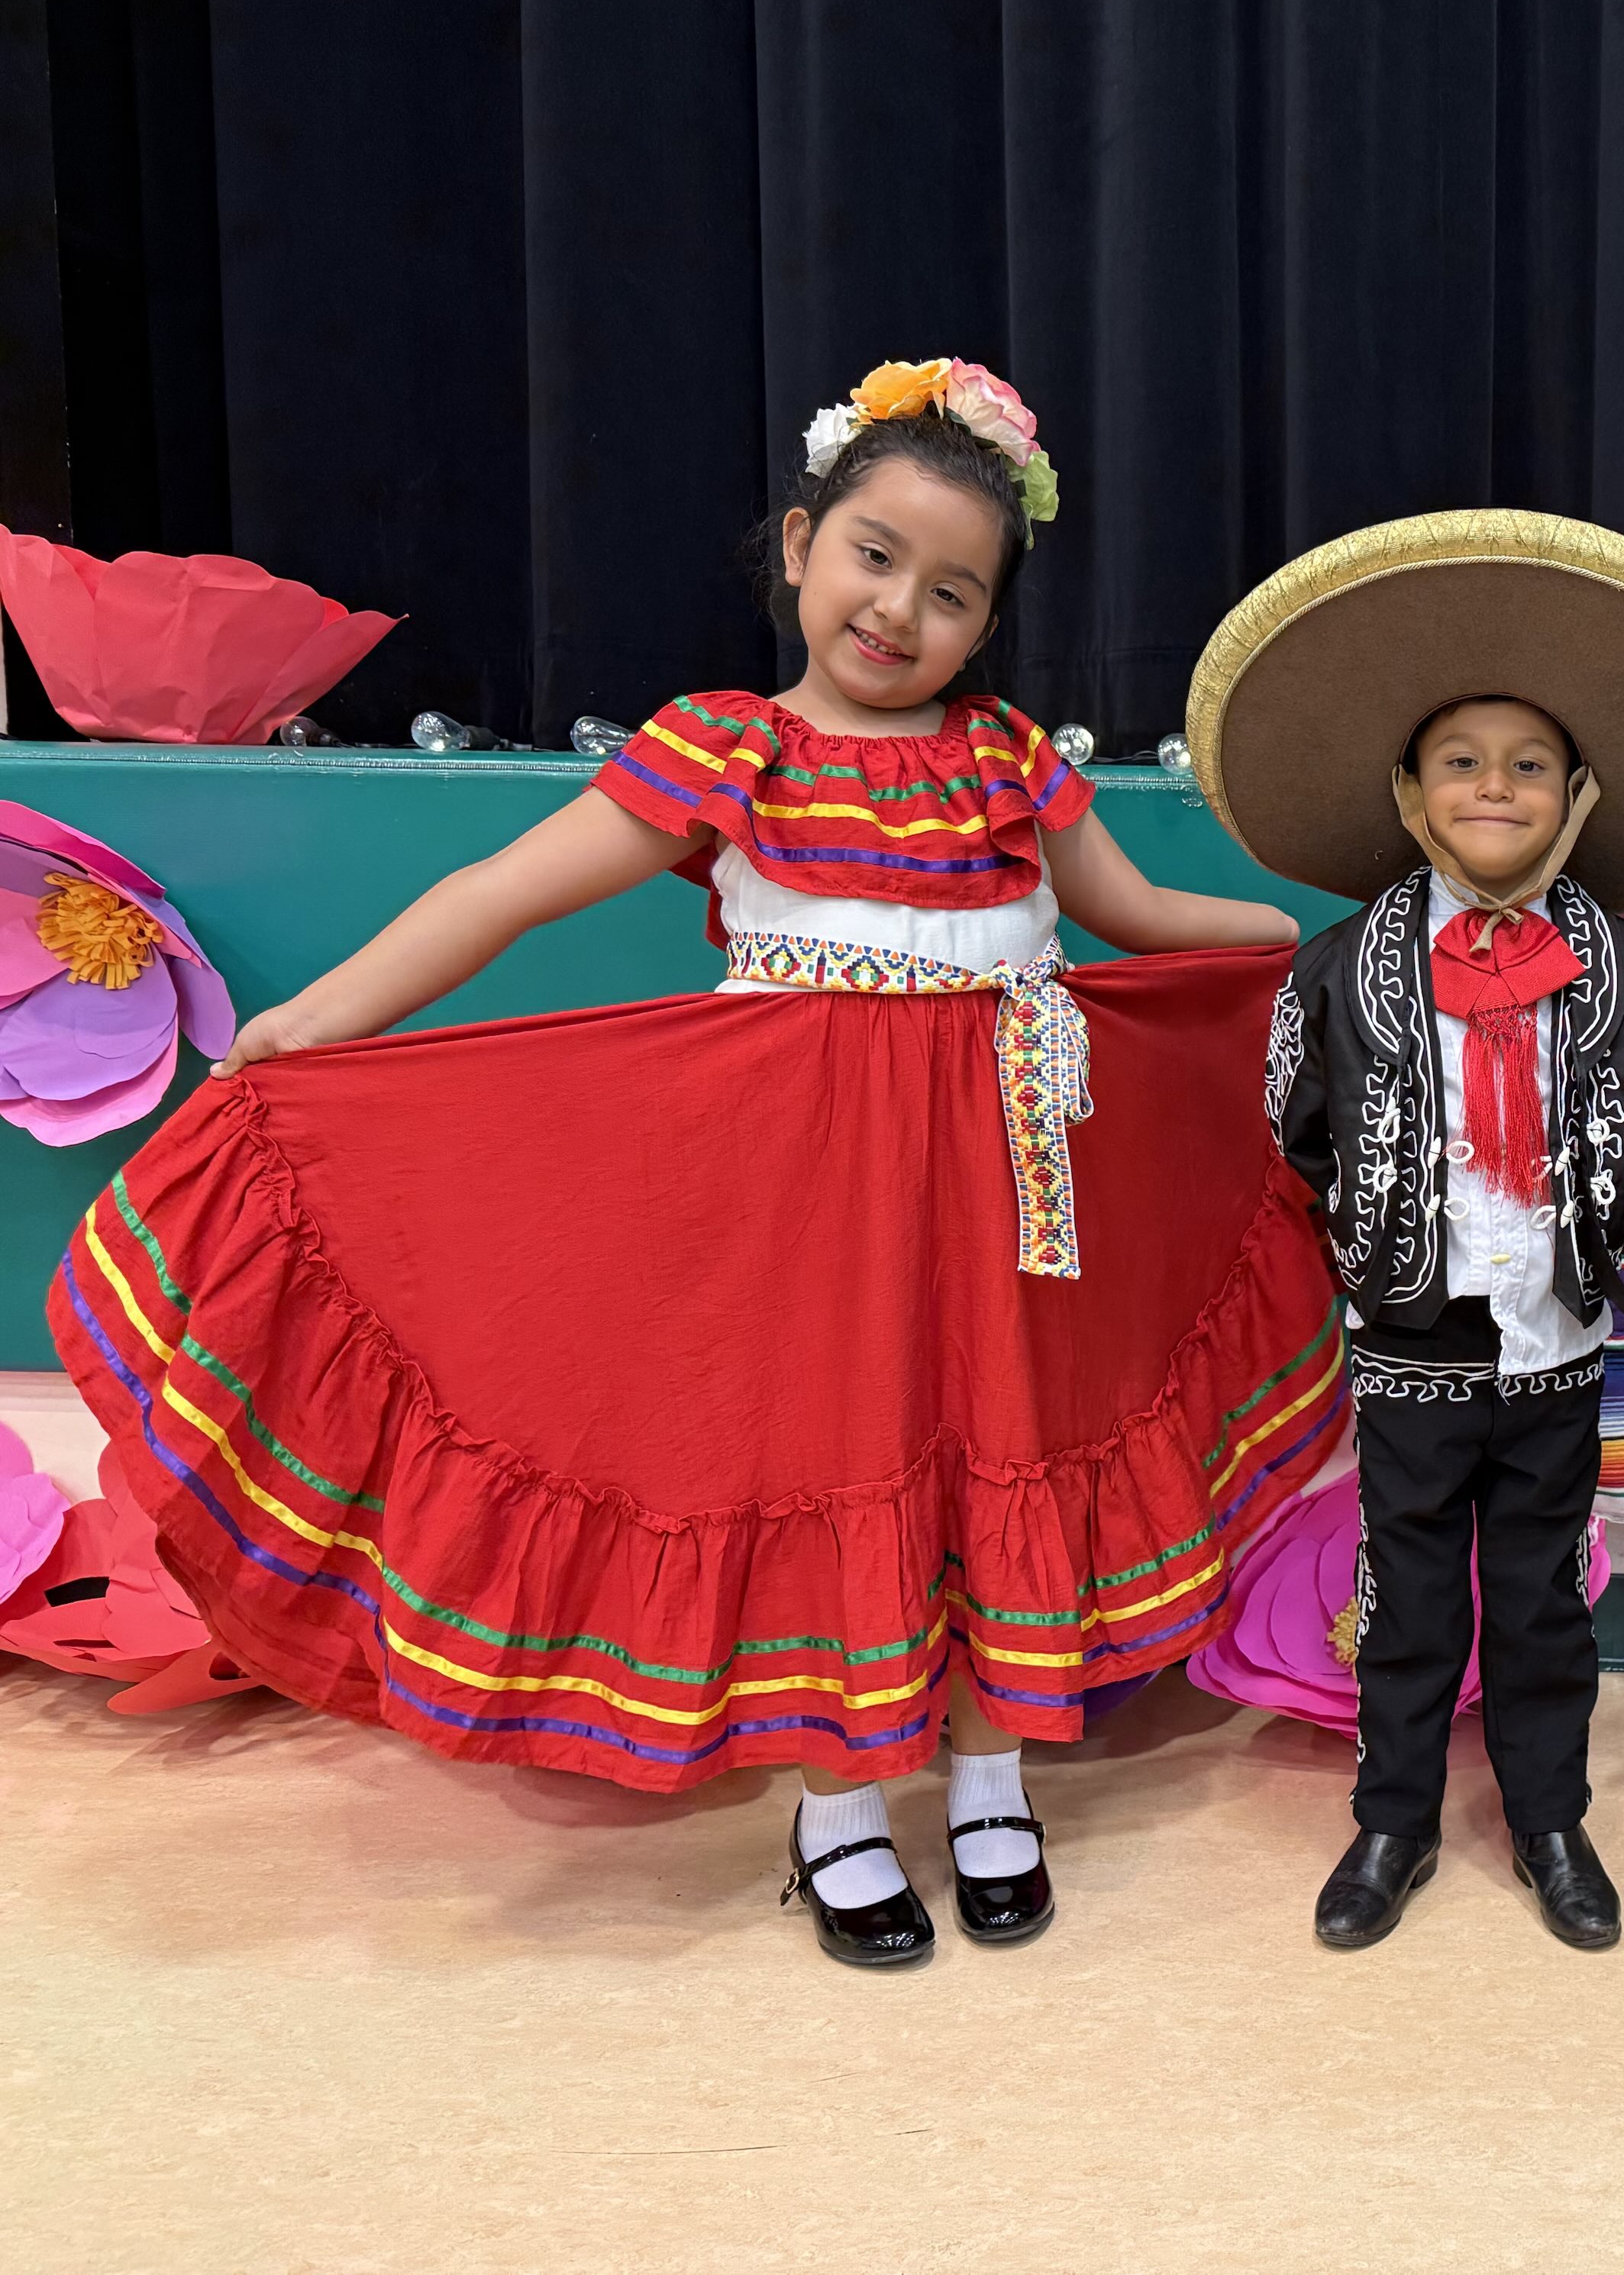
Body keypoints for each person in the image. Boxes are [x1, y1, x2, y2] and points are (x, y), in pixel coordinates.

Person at [50, 357, 1346, 1970]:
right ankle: (840, 1804)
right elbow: (504, 893)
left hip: (1016, 1187)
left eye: (951, 591)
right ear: (801, 545)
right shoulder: (724, 750)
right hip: (797, 1200)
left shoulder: (1009, 760)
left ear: (986, 621)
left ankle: (994, 1765)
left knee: (1000, 1434)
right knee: (829, 1454)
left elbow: (1134, 920)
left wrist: (1293, 947)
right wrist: (309, 1022)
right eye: (873, 555)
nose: (900, 611)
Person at [1185, 509, 1624, 1951]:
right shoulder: (1340, 969)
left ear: (1577, 796)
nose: (1493, 786)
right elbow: (1297, 1122)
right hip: (1411, 1336)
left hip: (1558, 1332)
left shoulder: (1620, 971)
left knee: (1539, 1593)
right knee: (1406, 1585)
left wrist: (1567, 1225)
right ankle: (1391, 1822)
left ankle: (1550, 1818)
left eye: (1528, 765)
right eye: (1462, 761)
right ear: (1408, 795)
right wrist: (1387, 1241)